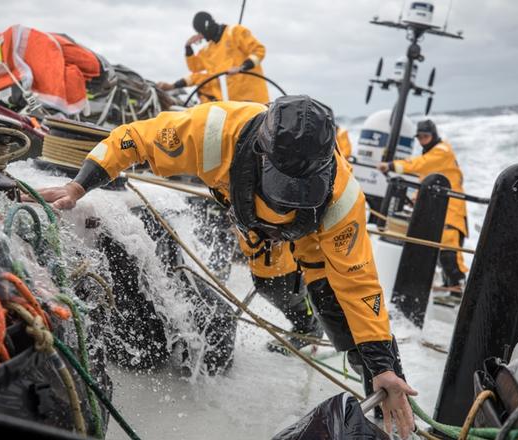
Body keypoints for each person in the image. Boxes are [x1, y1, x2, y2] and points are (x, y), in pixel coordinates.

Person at [33, 95, 417, 437]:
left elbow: (360, 286)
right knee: (274, 287)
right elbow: (135, 137)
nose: (288, 200)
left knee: (337, 303)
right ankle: (302, 320)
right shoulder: (212, 131)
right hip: (254, 231)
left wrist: (383, 367)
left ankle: (373, 383)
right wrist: (78, 187)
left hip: (314, 237)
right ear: (261, 155)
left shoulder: (343, 199)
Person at [378, 119, 468, 303]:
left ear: (433, 135)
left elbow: (420, 165)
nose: (422, 141)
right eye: (419, 137)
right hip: (441, 207)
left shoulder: (441, 151)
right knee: (440, 248)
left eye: (425, 136)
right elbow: (426, 177)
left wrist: (392, 166)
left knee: (449, 248)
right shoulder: (432, 152)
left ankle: (458, 287)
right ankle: (451, 287)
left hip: (453, 208)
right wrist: (417, 198)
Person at [157, 11, 269, 104]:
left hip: (253, 100)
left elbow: (259, 51)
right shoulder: (207, 50)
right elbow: (195, 69)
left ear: (207, 26)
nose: (201, 36)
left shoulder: (235, 32)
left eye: (201, 32)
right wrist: (188, 48)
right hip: (229, 104)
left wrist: (242, 67)